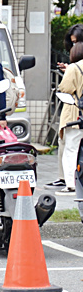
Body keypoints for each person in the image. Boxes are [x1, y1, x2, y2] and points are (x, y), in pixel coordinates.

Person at [52, 43, 83, 191]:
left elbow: (65, 88)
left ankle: (70, 184)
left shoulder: (74, 67)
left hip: (76, 114)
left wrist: (69, 72)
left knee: (71, 149)